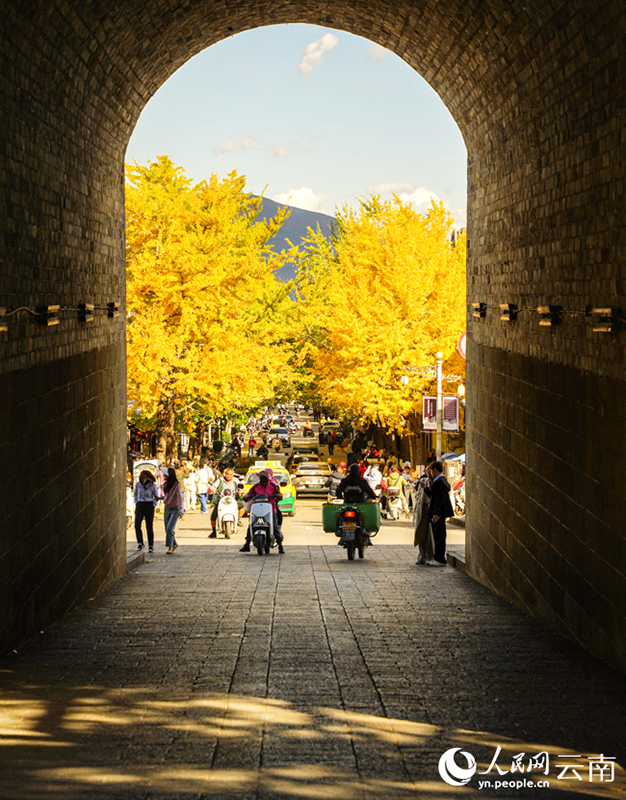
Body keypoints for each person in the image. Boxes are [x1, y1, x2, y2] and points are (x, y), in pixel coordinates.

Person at [241, 470, 284, 553]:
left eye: (265, 478)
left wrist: (277, 495)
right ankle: (247, 543)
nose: (263, 479)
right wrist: (246, 497)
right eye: (261, 478)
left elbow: (279, 495)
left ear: (268, 478)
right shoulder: (255, 487)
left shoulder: (273, 486)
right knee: (251, 525)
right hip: (258, 509)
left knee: (274, 526)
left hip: (270, 509)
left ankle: (280, 545)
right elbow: (249, 494)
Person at [423, 461, 454, 566]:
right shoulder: (440, 481)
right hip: (439, 513)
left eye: (431, 470)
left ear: (435, 470)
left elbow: (439, 499)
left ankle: (440, 558)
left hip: (439, 513)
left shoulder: (439, 482)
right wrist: (426, 488)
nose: (431, 473)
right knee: (437, 535)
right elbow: (433, 496)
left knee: (439, 535)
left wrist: (436, 513)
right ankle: (438, 557)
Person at [210, 467, 244, 536]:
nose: (229, 476)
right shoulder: (220, 480)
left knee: (242, 506)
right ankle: (213, 532)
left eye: (230, 475)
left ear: (233, 475)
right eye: (227, 474)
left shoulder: (235, 481)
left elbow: (242, 488)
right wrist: (213, 490)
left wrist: (241, 490)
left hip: (232, 500)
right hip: (222, 501)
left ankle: (238, 519)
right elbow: (213, 487)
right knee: (213, 517)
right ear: (225, 474)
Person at [134, 469, 160, 553]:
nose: (144, 480)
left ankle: (151, 545)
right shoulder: (138, 485)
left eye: (145, 478)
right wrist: (136, 502)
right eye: (142, 478)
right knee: (137, 525)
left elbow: (156, 496)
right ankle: (140, 542)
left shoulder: (152, 485)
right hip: (140, 504)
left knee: (149, 526)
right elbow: (135, 494)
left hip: (149, 505)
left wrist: (153, 504)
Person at [162, 467, 184, 554]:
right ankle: (174, 543)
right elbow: (166, 496)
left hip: (175, 508)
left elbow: (179, 497)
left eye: (165, 474)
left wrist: (180, 510)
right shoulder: (166, 484)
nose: (163, 475)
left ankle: (170, 547)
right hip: (167, 507)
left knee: (170, 528)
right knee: (167, 528)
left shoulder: (176, 485)